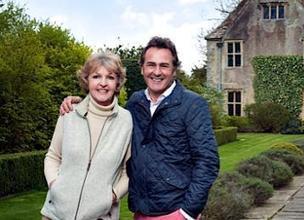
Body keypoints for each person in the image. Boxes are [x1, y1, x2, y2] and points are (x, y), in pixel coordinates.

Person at [61, 36, 219, 220]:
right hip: (141, 211)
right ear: (142, 68)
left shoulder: (192, 104)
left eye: (164, 65)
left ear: (174, 70)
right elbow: (108, 118)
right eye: (151, 65)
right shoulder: (135, 103)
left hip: (175, 211)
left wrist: (187, 213)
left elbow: (207, 162)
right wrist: (80, 105)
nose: (157, 72)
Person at [41, 52, 132, 220]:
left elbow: (129, 171)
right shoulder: (69, 113)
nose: (103, 83)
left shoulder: (127, 120)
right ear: (86, 80)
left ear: (117, 83)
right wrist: (55, 185)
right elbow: (53, 156)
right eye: (96, 76)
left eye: (110, 78)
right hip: (55, 215)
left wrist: (111, 197)